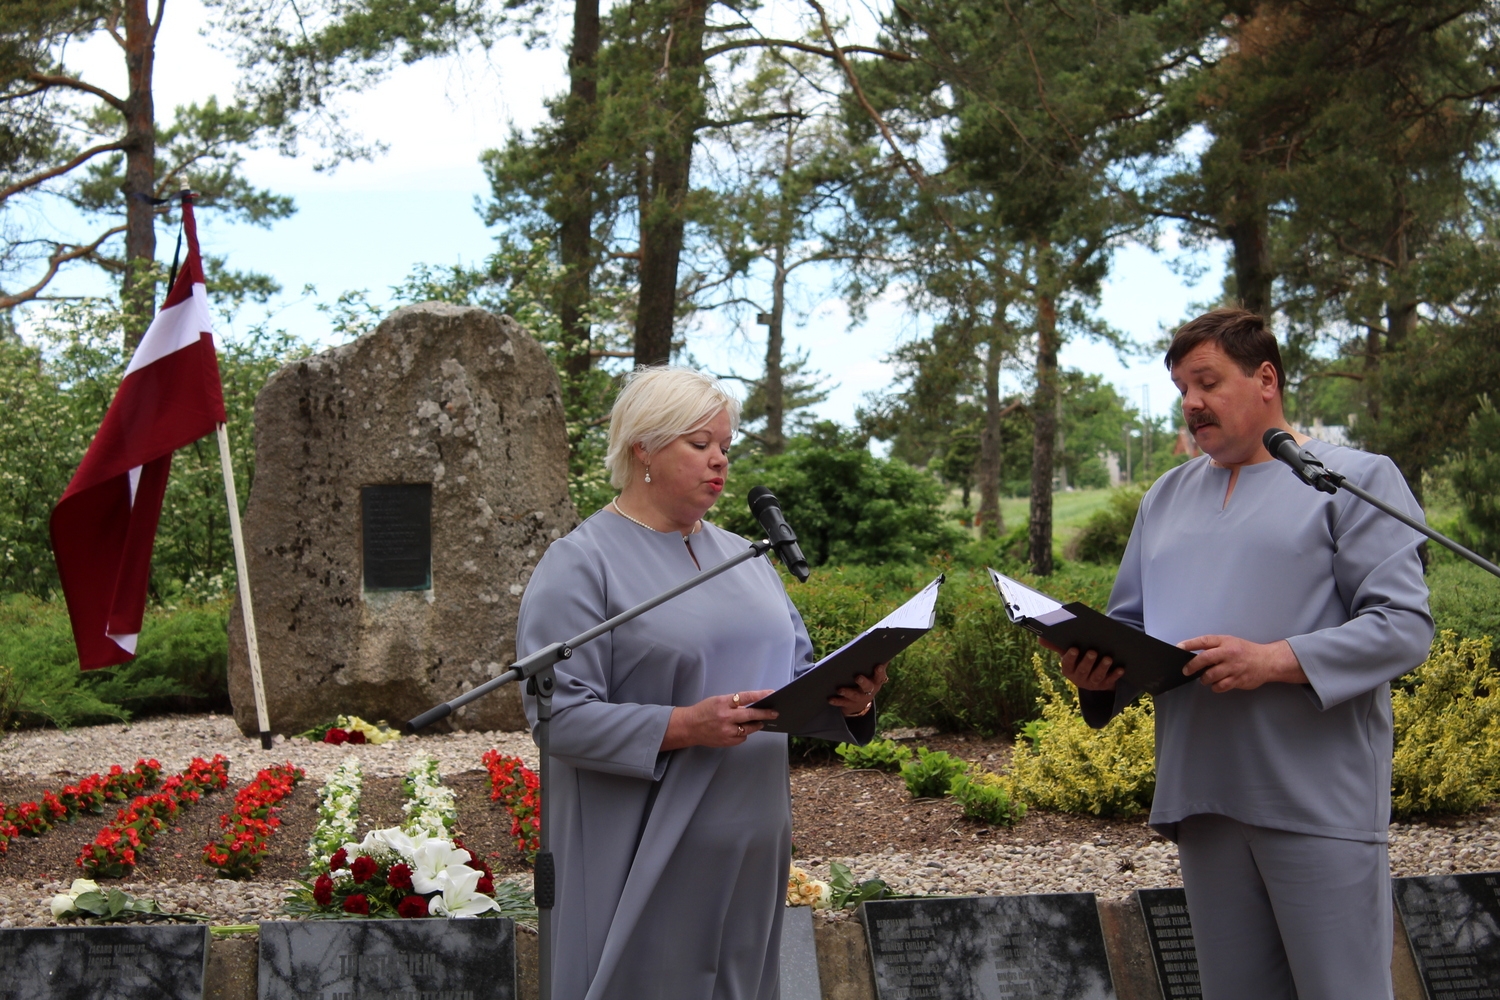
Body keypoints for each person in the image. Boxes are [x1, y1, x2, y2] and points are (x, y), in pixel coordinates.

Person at [1059, 309, 1433, 1000]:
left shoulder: (1352, 480)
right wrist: (1095, 674)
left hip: (1316, 795)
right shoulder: (1165, 498)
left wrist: (1273, 660)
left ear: (1266, 379)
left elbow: (1404, 627)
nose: (1192, 402)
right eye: (1181, 389)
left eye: (1207, 381)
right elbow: (1130, 627)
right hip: (1202, 794)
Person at [516, 366, 883, 1000]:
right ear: (643, 449)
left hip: (753, 840)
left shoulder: (746, 557)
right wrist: (687, 725)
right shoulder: (581, 562)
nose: (719, 462)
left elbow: (794, 679)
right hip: (650, 842)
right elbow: (559, 717)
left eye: (725, 448)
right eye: (700, 445)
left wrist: (849, 699)